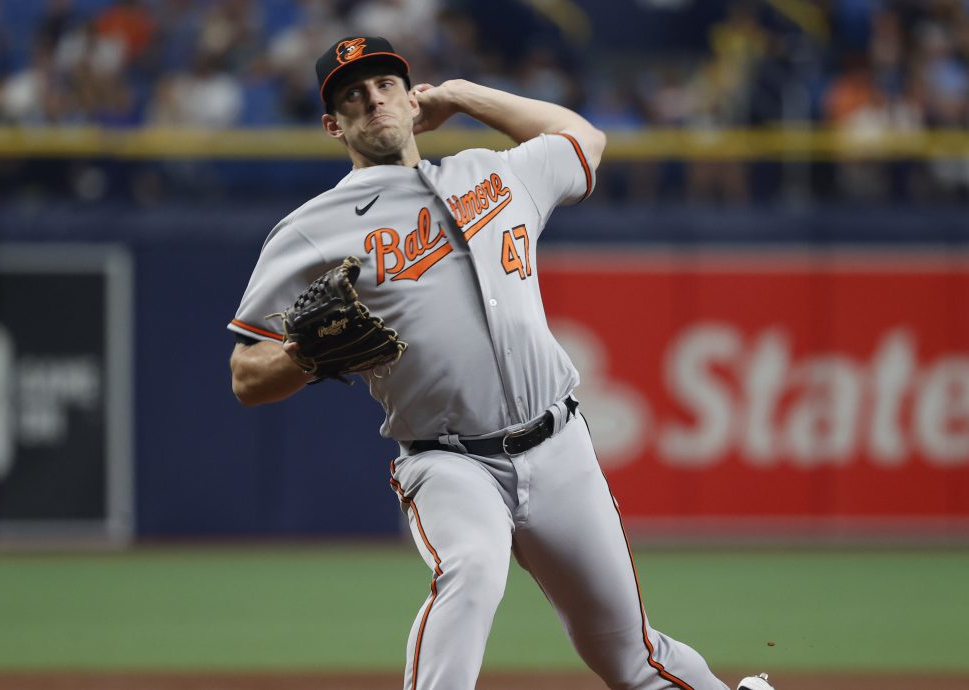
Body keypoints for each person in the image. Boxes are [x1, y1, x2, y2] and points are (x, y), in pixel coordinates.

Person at [228, 35, 775, 690]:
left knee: (631, 657)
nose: (373, 101)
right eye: (353, 96)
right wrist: (305, 353)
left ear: (410, 96)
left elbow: (584, 141)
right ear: (332, 124)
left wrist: (463, 96)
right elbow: (246, 375)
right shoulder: (312, 228)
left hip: (558, 445)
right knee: (474, 569)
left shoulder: (490, 173)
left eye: (385, 86)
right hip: (448, 459)